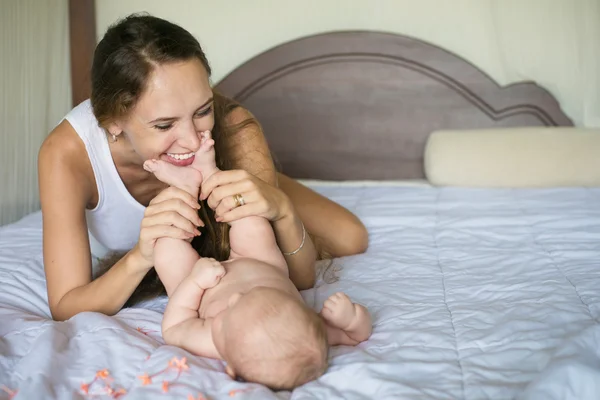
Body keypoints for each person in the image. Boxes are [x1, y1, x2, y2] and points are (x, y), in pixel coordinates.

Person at [37, 13, 368, 322]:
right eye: (164, 125)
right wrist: (141, 256)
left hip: (232, 165)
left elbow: (295, 280)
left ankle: (258, 176)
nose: (194, 142)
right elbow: (66, 306)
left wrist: (281, 210)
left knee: (351, 238)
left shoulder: (234, 128)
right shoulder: (66, 157)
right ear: (113, 122)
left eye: (202, 111)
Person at [145, 129, 372, 390]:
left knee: (166, 248)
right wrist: (351, 318)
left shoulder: (211, 341)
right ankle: (210, 176)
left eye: (228, 314)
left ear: (229, 366)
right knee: (252, 222)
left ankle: (184, 188)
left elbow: (174, 326)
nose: (235, 297)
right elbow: (356, 335)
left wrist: (196, 282)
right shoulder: (302, 335)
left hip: (201, 284)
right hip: (260, 263)